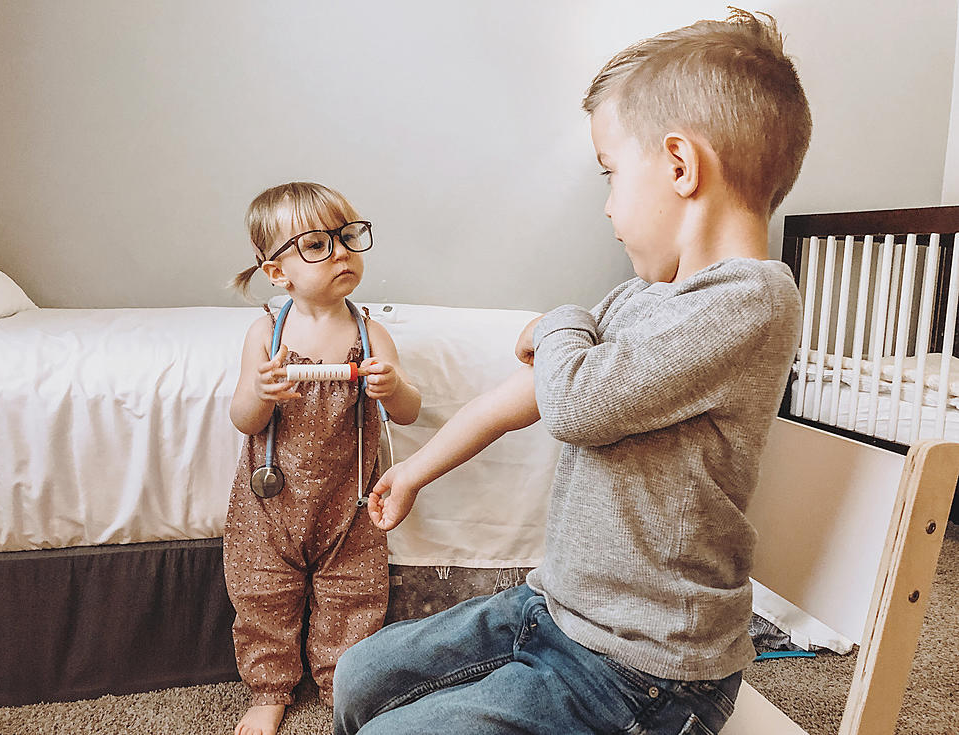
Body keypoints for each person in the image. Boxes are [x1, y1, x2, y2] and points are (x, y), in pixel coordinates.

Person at [332, 8, 810, 735]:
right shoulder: (636, 299)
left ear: (680, 166)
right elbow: (527, 395)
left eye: (611, 176)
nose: (610, 208)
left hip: (644, 673)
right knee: (360, 676)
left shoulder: (753, 300)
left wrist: (557, 318)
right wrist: (416, 469)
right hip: (553, 611)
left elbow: (575, 401)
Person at [224, 181, 421, 735]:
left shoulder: (370, 333)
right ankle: (268, 690)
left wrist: (392, 387)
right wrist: (262, 392)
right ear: (277, 272)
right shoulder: (267, 333)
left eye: (347, 236)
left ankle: (344, 683)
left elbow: (407, 412)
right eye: (315, 244)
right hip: (272, 497)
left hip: (349, 496)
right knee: (261, 590)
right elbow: (244, 418)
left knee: (354, 591)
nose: (340, 252)